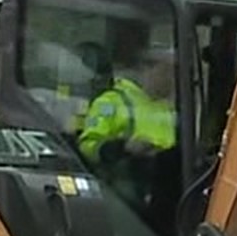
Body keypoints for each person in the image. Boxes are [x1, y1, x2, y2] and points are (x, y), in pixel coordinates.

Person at [76, 41, 179, 209]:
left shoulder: (172, 109)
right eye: (166, 72)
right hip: (125, 195)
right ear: (147, 70)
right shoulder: (111, 103)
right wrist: (124, 147)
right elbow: (87, 147)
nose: (172, 80)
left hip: (165, 191)